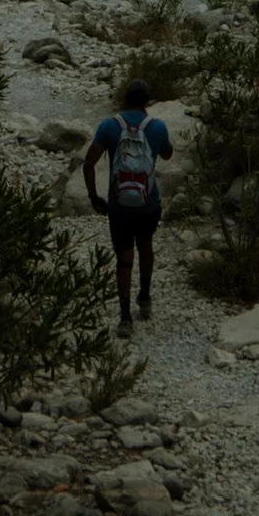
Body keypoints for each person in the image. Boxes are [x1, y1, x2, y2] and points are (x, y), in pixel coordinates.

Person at [83, 78, 174, 335]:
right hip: (148, 203)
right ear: (147, 101)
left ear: (125, 98)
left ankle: (125, 318)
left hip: (119, 205)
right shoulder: (157, 127)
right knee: (146, 245)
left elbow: (88, 163)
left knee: (124, 259)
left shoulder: (109, 126)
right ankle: (144, 297)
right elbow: (167, 154)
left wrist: (93, 197)